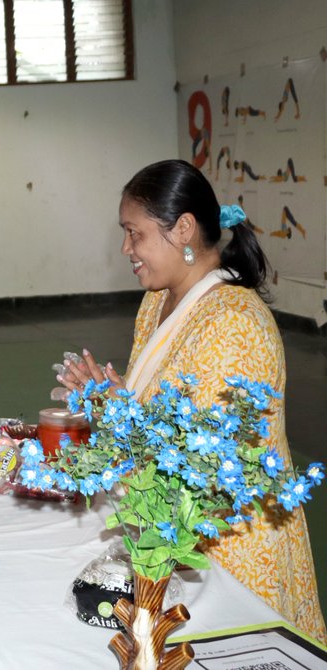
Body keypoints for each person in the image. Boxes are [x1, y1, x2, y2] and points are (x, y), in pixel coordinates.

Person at [57, 159, 326, 642]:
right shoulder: (157, 301)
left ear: (182, 229)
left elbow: (210, 469)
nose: (126, 248)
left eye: (134, 233)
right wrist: (108, 402)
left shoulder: (234, 322)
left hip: (231, 551)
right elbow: (159, 410)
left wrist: (122, 417)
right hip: (174, 535)